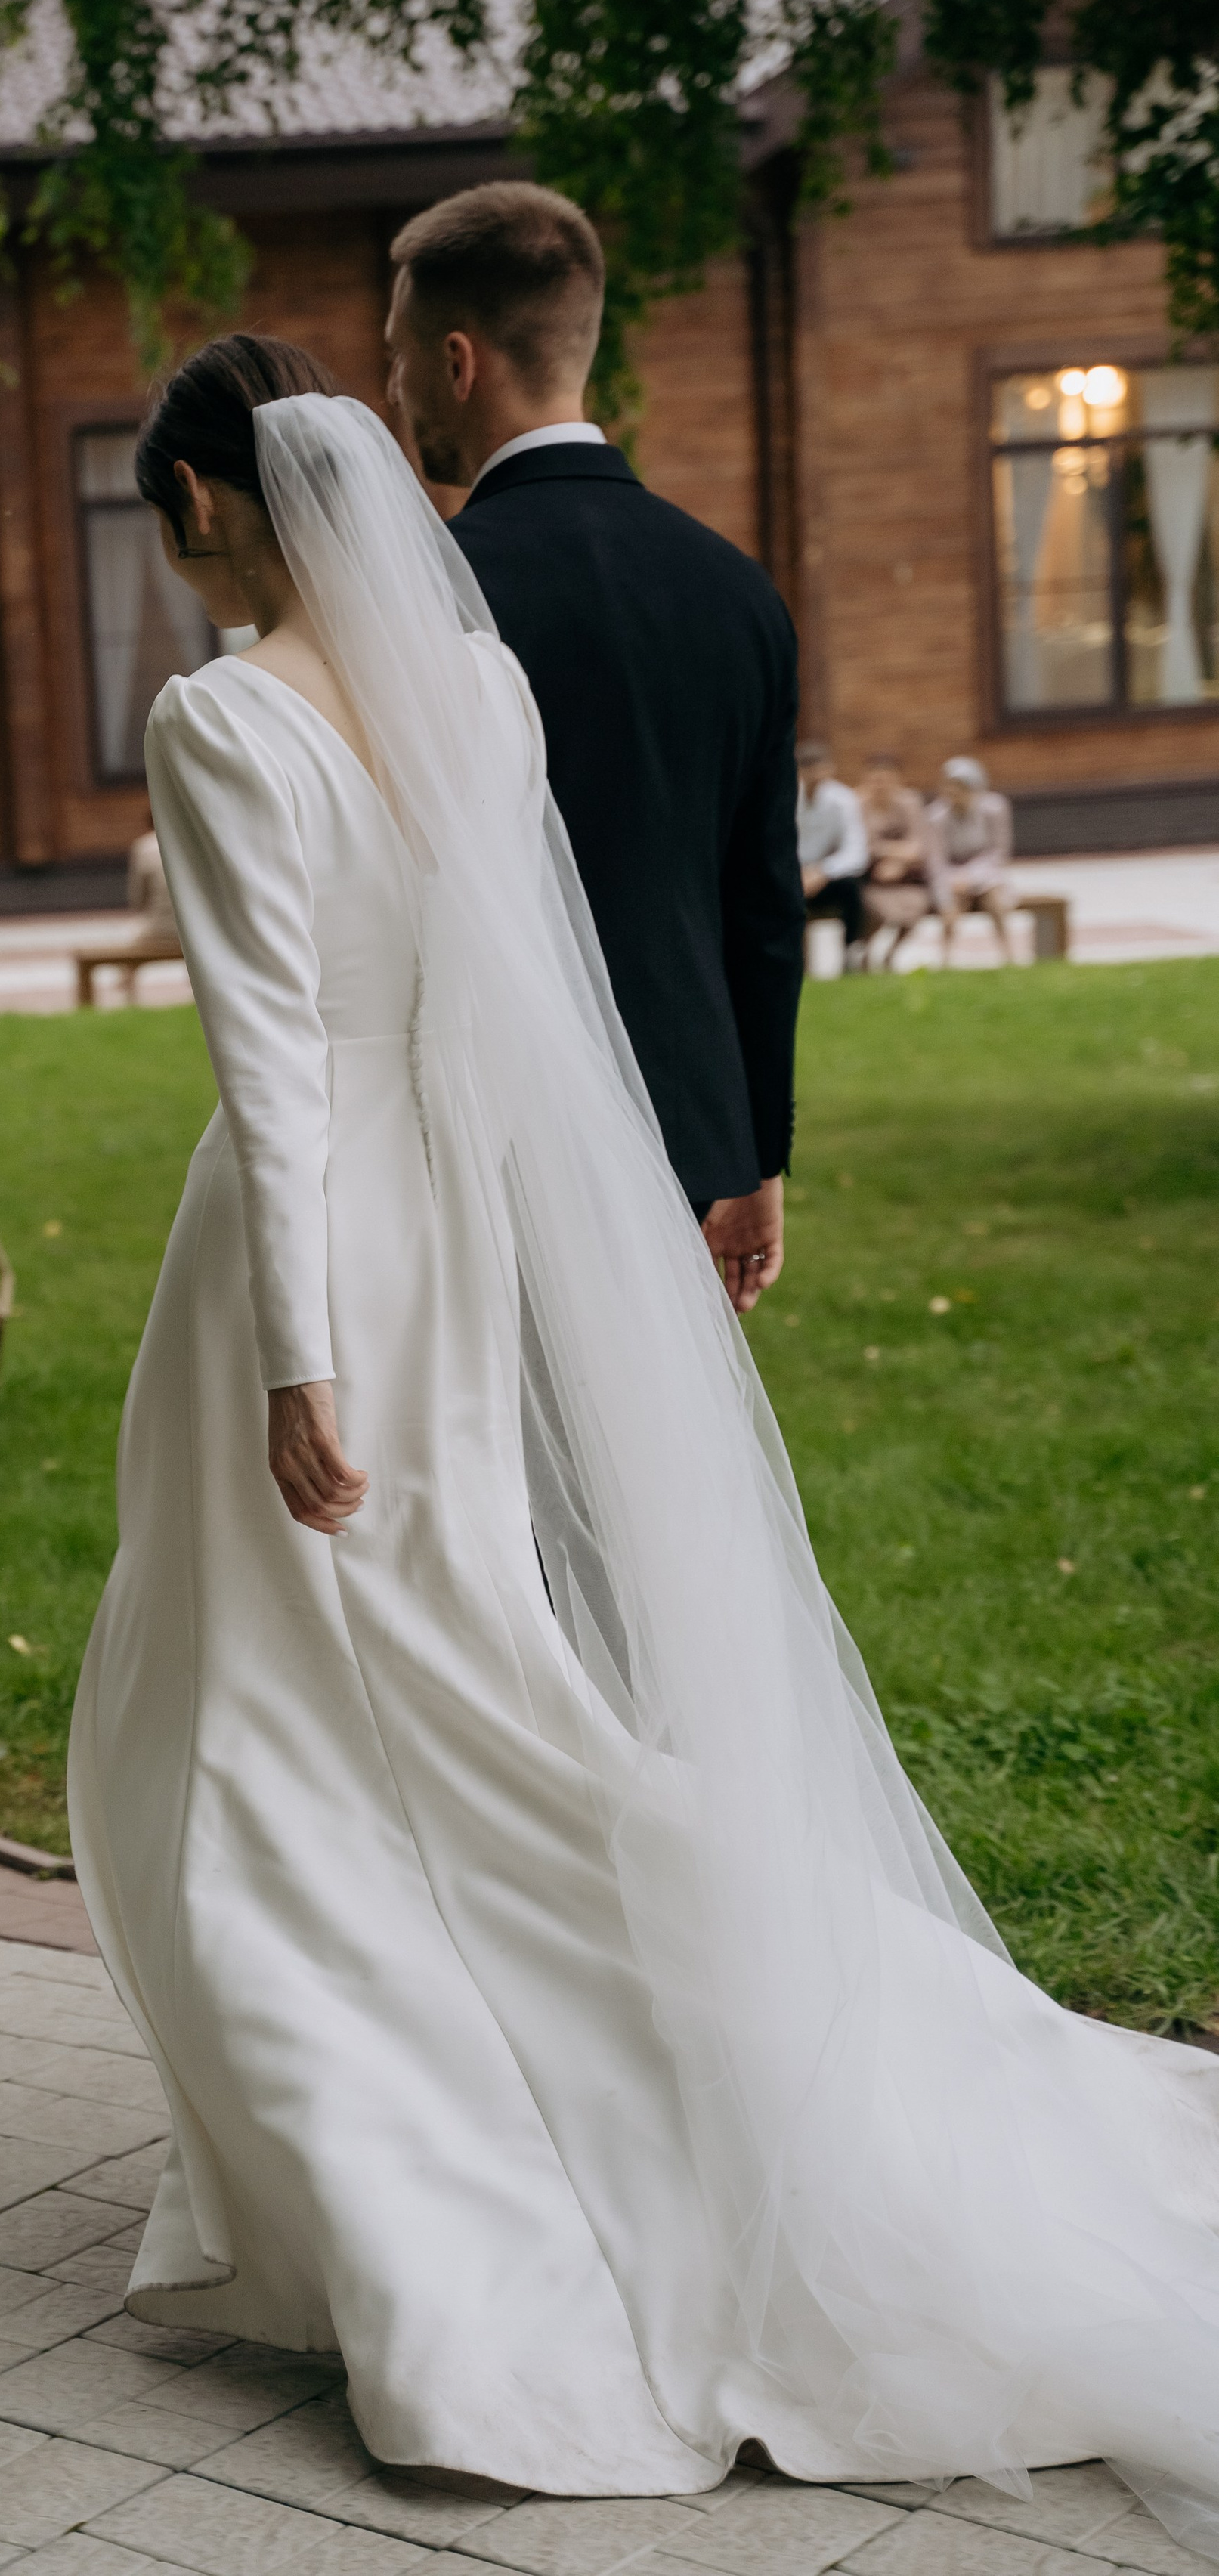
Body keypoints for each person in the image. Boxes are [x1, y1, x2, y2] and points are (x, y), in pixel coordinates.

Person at [70, 339, 1219, 2554]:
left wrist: (305, 1352)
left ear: (218, 494)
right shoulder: (471, 698)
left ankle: (417, 2211)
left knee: (265, 1719)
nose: (179, 545)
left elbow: (273, 1064)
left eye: (173, 507)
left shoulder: (220, 722)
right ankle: (471, 2130)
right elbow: (512, 1011)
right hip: (465, 1232)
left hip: (311, 1262)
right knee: (448, 1683)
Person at [384, 181, 802, 1314]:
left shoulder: (427, 595)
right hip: (685, 1132)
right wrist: (760, 1151)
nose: (396, 389)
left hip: (484, 1124)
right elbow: (764, 903)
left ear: (458, 363)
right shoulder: (740, 592)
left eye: (400, 357)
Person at [932, 755, 1017, 964]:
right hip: (951, 878)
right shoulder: (935, 817)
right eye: (950, 786)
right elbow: (936, 862)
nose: (954, 792)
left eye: (960, 786)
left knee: (995, 900)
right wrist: (947, 892)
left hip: (987, 874)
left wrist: (970, 876)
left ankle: (1008, 955)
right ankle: (945, 959)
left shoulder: (994, 809)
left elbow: (999, 853)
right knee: (952, 905)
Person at [856, 754, 939, 966]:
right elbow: (861, 846)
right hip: (873, 877)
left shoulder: (910, 803)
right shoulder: (858, 805)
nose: (880, 786)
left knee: (915, 908)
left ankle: (891, 953)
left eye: (886, 780)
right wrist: (895, 852)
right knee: (877, 910)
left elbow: (919, 845)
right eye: (875, 781)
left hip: (908, 876)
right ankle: (865, 952)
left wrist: (896, 861)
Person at [795, 740, 871, 965]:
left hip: (828, 877)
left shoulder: (844, 800)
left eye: (819, 769)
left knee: (851, 888)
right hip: (793, 874)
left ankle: (851, 953)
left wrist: (822, 872)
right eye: (807, 769)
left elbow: (857, 851)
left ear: (830, 769)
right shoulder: (784, 798)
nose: (814, 776)